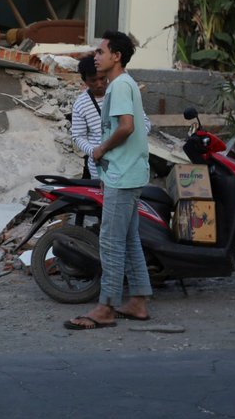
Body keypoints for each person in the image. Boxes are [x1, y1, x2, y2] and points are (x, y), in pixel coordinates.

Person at [65, 31, 152, 330]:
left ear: (116, 56)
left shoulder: (119, 87)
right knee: (128, 239)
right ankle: (138, 301)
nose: (96, 56)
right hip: (125, 172)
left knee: (111, 243)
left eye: (101, 51)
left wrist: (101, 150)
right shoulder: (122, 85)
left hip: (123, 175)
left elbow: (126, 127)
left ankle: (106, 307)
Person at [71, 55, 152, 179]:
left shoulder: (122, 92)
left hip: (128, 164)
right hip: (100, 169)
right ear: (85, 81)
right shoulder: (81, 104)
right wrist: (94, 151)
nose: (99, 84)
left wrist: (127, 140)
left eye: (102, 78)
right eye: (93, 81)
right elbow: (78, 136)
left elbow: (145, 123)